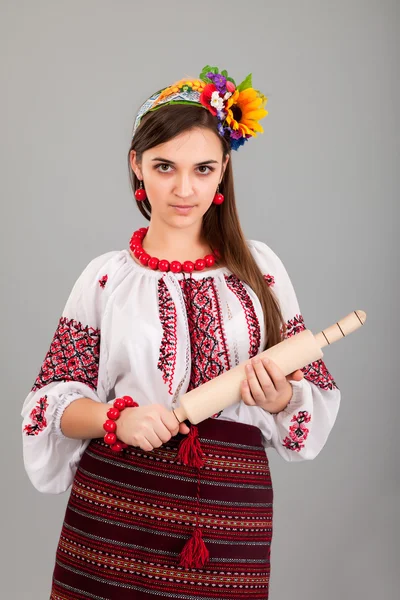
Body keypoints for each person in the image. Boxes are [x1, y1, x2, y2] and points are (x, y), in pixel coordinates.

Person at [21, 64, 341, 600]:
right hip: (114, 513)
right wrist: (113, 419)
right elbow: (48, 403)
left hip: (228, 519)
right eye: (165, 167)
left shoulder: (260, 270)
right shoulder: (106, 277)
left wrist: (282, 395)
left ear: (223, 173)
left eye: (203, 168)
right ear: (137, 167)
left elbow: (311, 391)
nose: (184, 188)